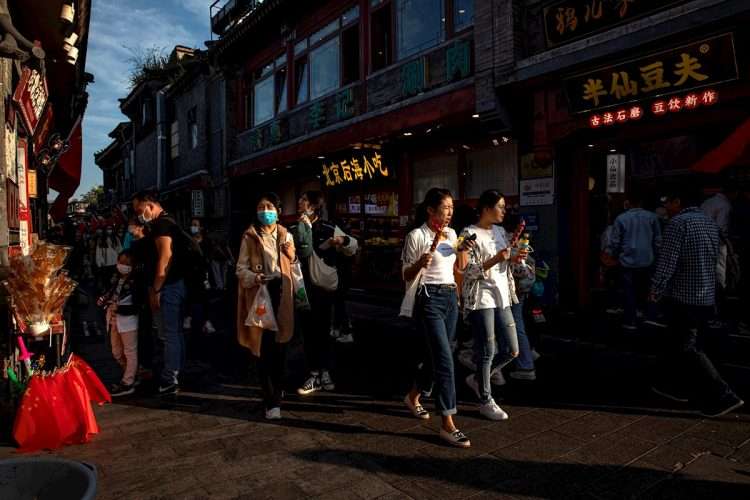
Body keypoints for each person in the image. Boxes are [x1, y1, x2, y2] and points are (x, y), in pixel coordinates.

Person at [649, 185, 744, 418]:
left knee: (687, 346)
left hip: (684, 296)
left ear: (678, 201)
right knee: (680, 341)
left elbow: (668, 261)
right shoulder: (708, 223)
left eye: (668, 202)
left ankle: (724, 395)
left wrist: (655, 289)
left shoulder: (678, 224)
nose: (666, 207)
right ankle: (675, 387)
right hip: (707, 294)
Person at [401, 188, 474, 447]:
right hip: (428, 298)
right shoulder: (416, 236)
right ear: (430, 210)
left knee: (437, 357)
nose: (449, 213)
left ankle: (412, 396)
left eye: (451, 208)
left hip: (449, 299)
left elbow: (457, 268)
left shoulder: (452, 234)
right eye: (445, 208)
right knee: (445, 360)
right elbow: (406, 275)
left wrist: (460, 295)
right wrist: (419, 263)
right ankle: (448, 423)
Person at [290, 191, 357, 396]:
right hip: (303, 288)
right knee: (308, 331)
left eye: (303, 200)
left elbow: (352, 246)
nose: (300, 203)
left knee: (324, 331)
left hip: (325, 289)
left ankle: (325, 371)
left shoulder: (328, 227)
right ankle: (313, 373)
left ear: (313, 206)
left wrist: (341, 242)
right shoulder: (294, 229)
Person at [236, 193, 296, 419]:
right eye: (261, 207)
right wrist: (254, 277)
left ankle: (277, 389)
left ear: (278, 210)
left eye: (269, 206)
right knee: (263, 348)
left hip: (283, 294)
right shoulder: (249, 237)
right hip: (261, 294)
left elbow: (295, 266)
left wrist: (293, 257)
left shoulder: (285, 235)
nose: (265, 211)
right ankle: (271, 400)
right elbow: (240, 269)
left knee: (281, 347)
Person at [460, 190, 517, 421]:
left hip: (503, 294)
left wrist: (515, 257)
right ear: (486, 208)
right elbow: (465, 270)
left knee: (513, 350)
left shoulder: (501, 231)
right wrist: (496, 259)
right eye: (500, 206)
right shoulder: (467, 233)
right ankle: (485, 399)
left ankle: (477, 379)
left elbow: (506, 261)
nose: (504, 210)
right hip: (481, 296)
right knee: (487, 350)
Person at [132, 190, 188, 395]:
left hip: (169, 285)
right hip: (176, 283)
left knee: (170, 333)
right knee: (176, 332)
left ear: (150, 205)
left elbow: (165, 258)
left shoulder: (162, 225)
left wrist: (156, 288)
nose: (139, 215)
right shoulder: (169, 221)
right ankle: (176, 372)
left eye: (140, 209)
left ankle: (170, 377)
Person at [606, 190, 662, 330]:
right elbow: (657, 241)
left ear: (628, 202)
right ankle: (649, 316)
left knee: (629, 291)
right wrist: (657, 256)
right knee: (648, 288)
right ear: (641, 203)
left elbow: (615, 242)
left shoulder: (621, 219)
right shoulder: (652, 217)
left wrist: (612, 255)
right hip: (647, 260)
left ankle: (630, 320)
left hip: (627, 261)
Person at [97, 250, 142, 396]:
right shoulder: (116, 278)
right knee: (116, 352)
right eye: (121, 262)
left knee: (130, 351)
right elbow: (110, 294)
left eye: (127, 263)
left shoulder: (136, 282)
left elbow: (137, 306)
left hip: (128, 322)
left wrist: (119, 308)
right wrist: (105, 299)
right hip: (114, 320)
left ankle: (128, 381)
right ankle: (130, 374)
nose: (123, 265)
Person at [183, 218, 216, 335]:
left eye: (196, 225)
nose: (193, 227)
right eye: (192, 225)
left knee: (205, 298)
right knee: (189, 297)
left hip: (203, 274)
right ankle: (188, 317)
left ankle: (207, 321)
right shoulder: (187, 242)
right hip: (190, 275)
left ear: (201, 227)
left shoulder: (207, 242)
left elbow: (208, 259)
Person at [95, 225, 122, 293]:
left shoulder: (116, 238)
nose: (109, 230)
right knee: (106, 280)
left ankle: (112, 293)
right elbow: (98, 252)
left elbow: (120, 250)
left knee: (114, 280)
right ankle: (106, 293)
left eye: (110, 229)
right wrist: (100, 262)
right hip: (105, 264)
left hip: (115, 263)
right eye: (108, 229)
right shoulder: (101, 240)